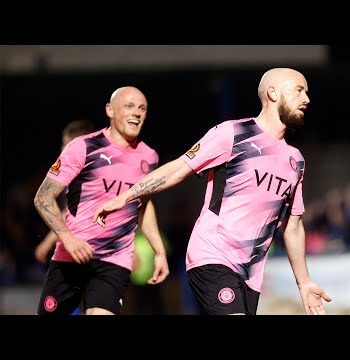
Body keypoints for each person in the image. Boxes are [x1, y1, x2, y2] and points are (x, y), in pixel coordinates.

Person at [93, 68, 332, 315]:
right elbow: (179, 168)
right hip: (212, 256)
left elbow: (293, 226)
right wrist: (127, 195)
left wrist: (304, 283)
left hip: (250, 275)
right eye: (299, 90)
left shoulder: (296, 160)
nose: (306, 99)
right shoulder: (233, 133)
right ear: (273, 93)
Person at [33, 86, 169, 315]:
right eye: (129, 106)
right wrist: (67, 239)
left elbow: (143, 206)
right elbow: (43, 196)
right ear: (110, 110)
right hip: (71, 256)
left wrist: (159, 251)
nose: (136, 112)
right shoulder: (83, 147)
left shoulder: (149, 157)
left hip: (114, 261)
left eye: (142, 108)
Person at [35, 119, 95, 266]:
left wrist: (48, 242)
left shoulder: (89, 175)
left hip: (90, 247)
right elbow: (69, 210)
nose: (62, 148)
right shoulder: (74, 175)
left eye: (66, 144)